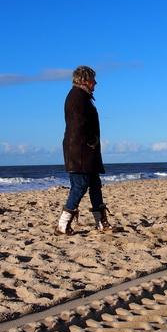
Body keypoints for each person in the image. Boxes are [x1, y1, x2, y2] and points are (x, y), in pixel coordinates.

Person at [56, 65, 116, 234]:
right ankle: (62, 224)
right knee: (80, 186)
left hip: (86, 152)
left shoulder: (82, 97)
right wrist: (91, 141)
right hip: (80, 152)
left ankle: (101, 223)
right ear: (84, 80)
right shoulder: (77, 97)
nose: (95, 83)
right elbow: (78, 126)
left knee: (95, 185)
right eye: (92, 80)